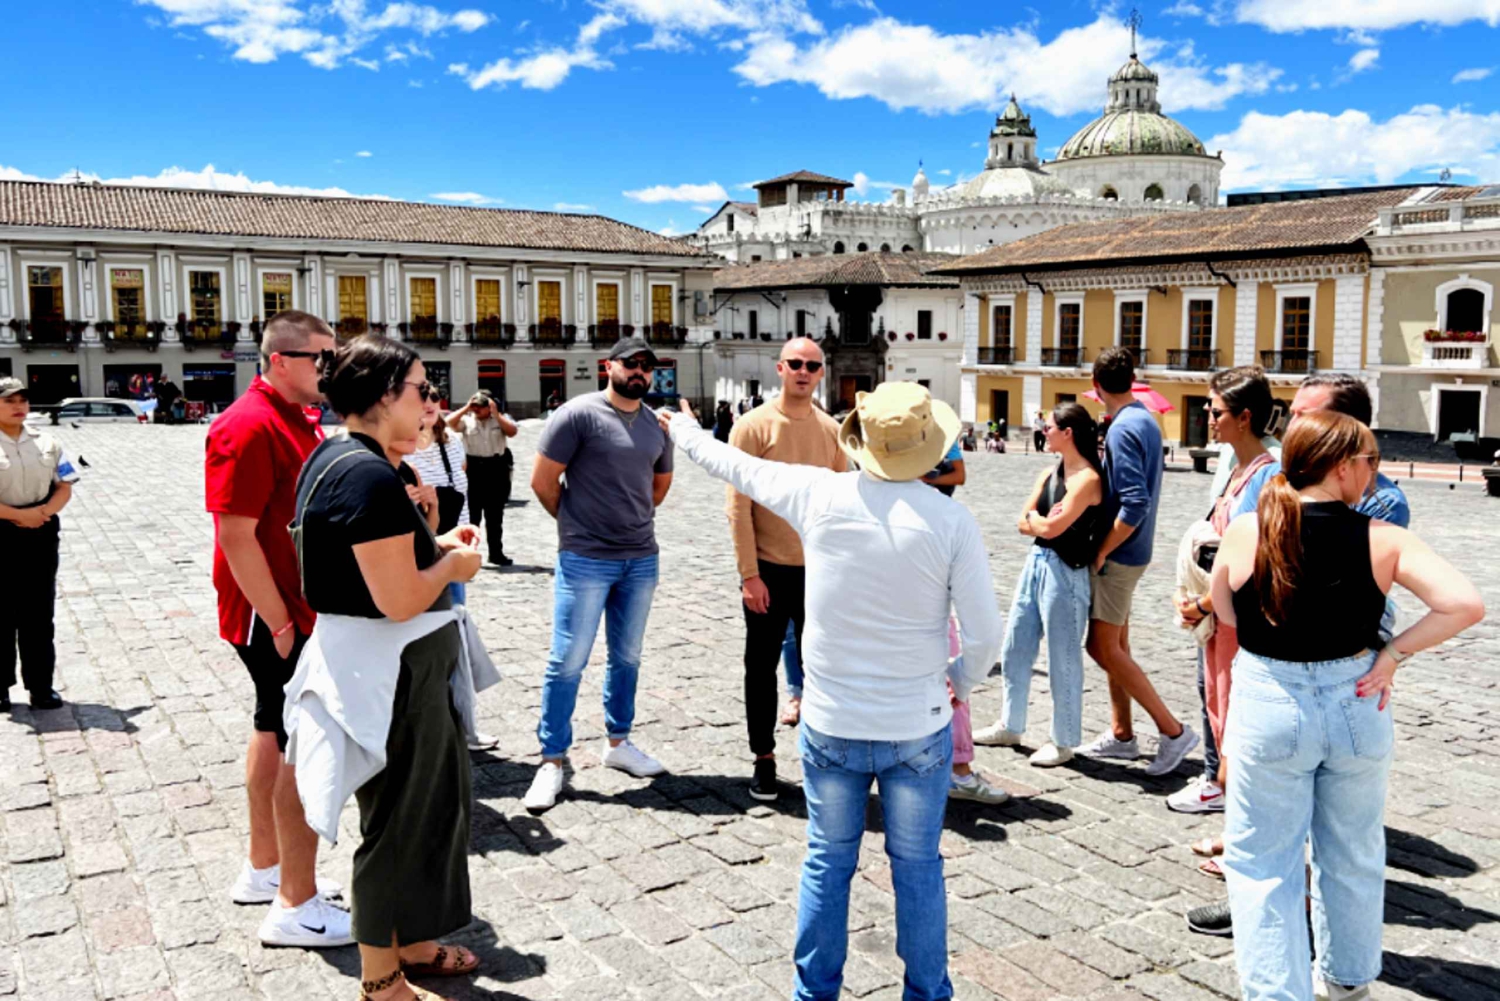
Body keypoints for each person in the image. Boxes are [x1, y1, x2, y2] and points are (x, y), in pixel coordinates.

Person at [658, 381, 1004, 1001]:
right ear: (925, 446)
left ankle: (814, 993)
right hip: (914, 724)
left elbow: (731, 462)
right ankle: (926, 994)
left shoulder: (819, 493)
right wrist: (956, 684)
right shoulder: (951, 520)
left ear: (860, 441)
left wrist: (682, 428)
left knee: (827, 861)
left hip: (833, 720)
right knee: (919, 868)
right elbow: (984, 636)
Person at [1209, 410, 1482, 1001]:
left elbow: (1223, 612)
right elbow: (1463, 603)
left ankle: (1277, 993)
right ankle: (1348, 979)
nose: (1374, 474)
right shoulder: (1383, 539)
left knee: (1262, 860)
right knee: (1354, 850)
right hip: (1356, 698)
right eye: (1370, 462)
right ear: (1340, 465)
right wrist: (1393, 655)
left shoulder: (1248, 528)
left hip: (1270, 699)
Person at [286, 336, 489, 1001]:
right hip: (391, 672)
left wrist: (431, 534)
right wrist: (455, 564)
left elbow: (371, 565)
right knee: (400, 822)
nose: (432, 403)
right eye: (421, 389)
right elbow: (400, 596)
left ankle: (413, 939)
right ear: (382, 396)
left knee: (432, 808)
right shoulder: (367, 474)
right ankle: (381, 981)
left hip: (386, 664)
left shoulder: (341, 457)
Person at [1184, 371, 1413, 940]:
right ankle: (1270, 901)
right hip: (1278, 660)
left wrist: (1391, 656)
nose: (1293, 428)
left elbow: (1330, 588)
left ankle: (1298, 915)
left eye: (1310, 416)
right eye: (1296, 416)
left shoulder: (1375, 498)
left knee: (1331, 826)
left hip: (1335, 669)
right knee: (1273, 802)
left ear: (1346, 431)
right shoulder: (1289, 483)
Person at [203, 311, 347, 945]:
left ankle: (268, 867)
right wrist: (282, 622)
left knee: (274, 726)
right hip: (273, 614)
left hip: (289, 607)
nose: (331, 367)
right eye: (323, 356)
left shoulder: (293, 417)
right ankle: (294, 898)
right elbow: (234, 535)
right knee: (296, 741)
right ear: (281, 359)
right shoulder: (248, 424)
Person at [524, 336, 675, 813]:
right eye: (631, 364)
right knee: (567, 658)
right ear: (607, 365)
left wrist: (631, 520)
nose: (640, 372)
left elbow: (660, 484)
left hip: (640, 558)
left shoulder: (656, 425)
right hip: (586, 558)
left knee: (627, 657)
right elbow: (543, 481)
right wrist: (575, 526)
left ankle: (619, 744)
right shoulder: (578, 414)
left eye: (647, 367)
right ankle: (551, 760)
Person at [726, 338, 846, 800]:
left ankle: (825, 755)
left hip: (819, 573)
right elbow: (738, 506)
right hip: (769, 571)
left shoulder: (832, 430)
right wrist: (748, 574)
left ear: (820, 373)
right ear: (780, 368)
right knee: (760, 666)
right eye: (795, 363)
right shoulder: (753, 426)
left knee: (826, 668)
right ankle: (764, 758)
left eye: (812, 365)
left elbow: (840, 503)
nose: (803, 371)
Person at [1169, 368, 1281, 833]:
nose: (1208, 418)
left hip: (1238, 619)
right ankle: (1236, 828)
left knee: (1237, 724)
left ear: (1245, 416)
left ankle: (1247, 836)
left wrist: (1204, 605)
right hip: (1222, 618)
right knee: (1220, 713)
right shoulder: (1239, 469)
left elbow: (1253, 558)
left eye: (1216, 411)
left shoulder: (1266, 476)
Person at [1079, 347, 1199, 775]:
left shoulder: (1122, 429)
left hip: (1122, 553)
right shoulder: (1144, 419)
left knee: (1101, 646)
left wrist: (1102, 549)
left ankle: (1172, 730)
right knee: (1118, 646)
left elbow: (1133, 505)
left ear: (1096, 385)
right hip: (1136, 549)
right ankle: (1122, 733)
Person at [975, 402, 1105, 767]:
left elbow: (1050, 527)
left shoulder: (1088, 480)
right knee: (1016, 645)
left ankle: (1063, 740)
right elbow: (1024, 521)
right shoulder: (1051, 474)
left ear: (1069, 433)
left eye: (1048, 427)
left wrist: (1040, 520)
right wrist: (1040, 520)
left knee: (1062, 657)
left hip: (1066, 569)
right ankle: (1011, 723)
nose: (1042, 431)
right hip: (1036, 562)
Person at [0, 377, 77, 712]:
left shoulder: (47, 442)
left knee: (38, 613)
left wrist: (41, 513)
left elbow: (65, 485)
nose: (18, 407)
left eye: (22, 400)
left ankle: (41, 687)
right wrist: (17, 515)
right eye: (9, 401)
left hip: (40, 534)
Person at [408, 390, 470, 602]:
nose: (429, 403)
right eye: (422, 396)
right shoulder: (400, 446)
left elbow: (462, 476)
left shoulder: (452, 441)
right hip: (421, 550)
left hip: (455, 547)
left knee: (456, 609)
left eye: (434, 397)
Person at [446, 391, 517, 567]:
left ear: (489, 407)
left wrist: (496, 414)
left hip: (496, 468)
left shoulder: (499, 420)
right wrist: (465, 408)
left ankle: (496, 553)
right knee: (472, 514)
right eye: (474, 406)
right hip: (474, 468)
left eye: (480, 406)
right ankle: (469, 553)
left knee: (495, 515)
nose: (476, 409)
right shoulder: (467, 421)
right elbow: (449, 423)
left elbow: (512, 431)